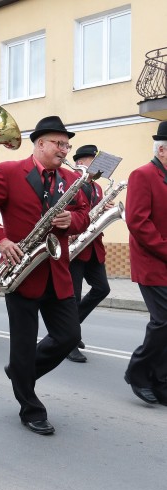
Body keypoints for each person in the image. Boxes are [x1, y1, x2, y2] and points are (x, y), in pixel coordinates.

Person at [0, 116, 90, 435]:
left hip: (56, 269)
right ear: (40, 143)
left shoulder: (71, 177)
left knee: (69, 336)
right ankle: (30, 407)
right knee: (23, 343)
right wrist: (0, 240)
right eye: (59, 143)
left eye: (66, 144)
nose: (64, 149)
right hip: (21, 269)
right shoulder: (7, 171)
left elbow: (84, 215)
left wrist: (69, 221)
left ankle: (20, 372)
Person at [124, 121, 167, 406]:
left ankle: (160, 380)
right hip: (153, 263)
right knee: (164, 321)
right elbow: (138, 221)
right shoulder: (143, 174)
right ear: (162, 150)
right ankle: (138, 371)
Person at [66, 145, 111, 363]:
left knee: (102, 288)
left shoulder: (98, 188)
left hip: (93, 245)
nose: (99, 167)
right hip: (75, 246)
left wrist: (105, 209)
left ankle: (71, 329)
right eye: (95, 162)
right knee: (73, 296)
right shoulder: (72, 182)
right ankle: (69, 342)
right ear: (82, 163)